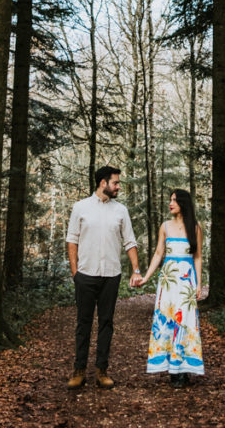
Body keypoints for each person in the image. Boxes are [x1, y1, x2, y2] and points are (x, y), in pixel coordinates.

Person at [66, 164, 142, 390]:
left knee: (106, 323)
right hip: (85, 275)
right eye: (115, 183)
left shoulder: (121, 210)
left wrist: (136, 270)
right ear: (103, 183)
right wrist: (75, 273)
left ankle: (102, 371)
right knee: (83, 323)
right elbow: (72, 240)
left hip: (111, 275)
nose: (118, 186)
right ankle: (79, 371)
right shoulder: (80, 207)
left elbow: (130, 241)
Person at [135, 188, 204, 385]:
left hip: (186, 281)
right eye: (170, 200)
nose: (170, 203)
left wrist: (199, 284)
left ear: (183, 203)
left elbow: (198, 257)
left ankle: (183, 368)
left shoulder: (195, 227)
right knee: (168, 319)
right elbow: (158, 254)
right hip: (168, 282)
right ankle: (173, 370)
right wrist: (146, 277)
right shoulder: (165, 226)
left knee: (185, 321)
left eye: (174, 200)